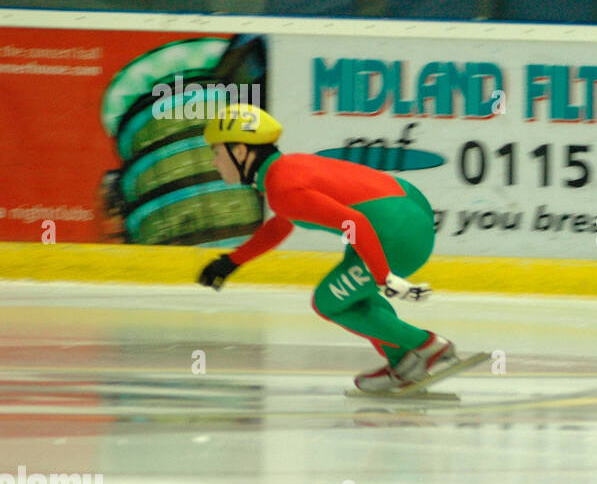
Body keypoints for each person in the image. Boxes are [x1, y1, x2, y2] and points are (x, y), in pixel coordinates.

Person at [196, 103, 459, 393]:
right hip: (404, 214)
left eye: (216, 152)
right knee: (354, 296)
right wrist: (233, 261)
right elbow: (283, 224)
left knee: (327, 301)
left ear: (241, 151)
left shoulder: (282, 188)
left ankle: (425, 345)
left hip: (396, 233)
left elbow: (354, 221)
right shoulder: (284, 171)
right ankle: (405, 362)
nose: (213, 162)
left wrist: (384, 277)